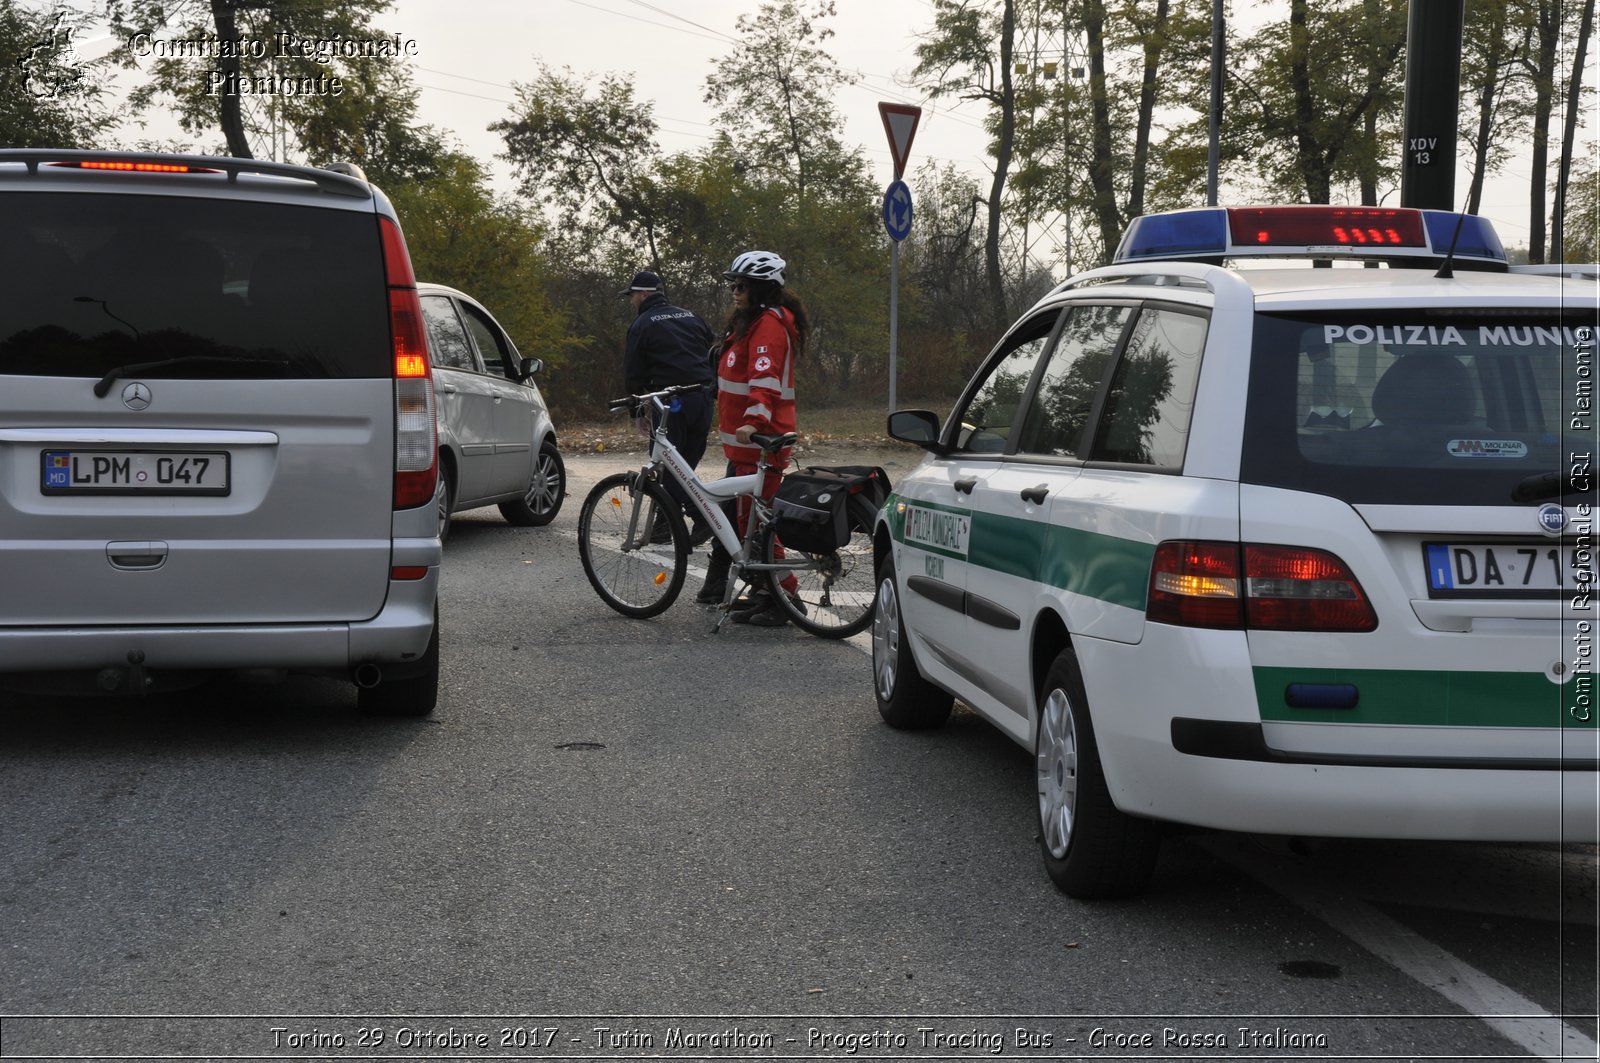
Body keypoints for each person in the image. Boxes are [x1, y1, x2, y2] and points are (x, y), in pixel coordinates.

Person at [696, 250, 809, 627]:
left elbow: (765, 378)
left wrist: (754, 421)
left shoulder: (768, 326)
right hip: (745, 446)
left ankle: (786, 595)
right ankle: (766, 593)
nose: (734, 291)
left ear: (761, 288)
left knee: (756, 524)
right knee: (750, 523)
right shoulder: (753, 322)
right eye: (732, 285)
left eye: (741, 286)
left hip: (761, 442)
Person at [620, 269, 717, 545]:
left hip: (672, 403)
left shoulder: (642, 324)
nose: (631, 302)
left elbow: (633, 372)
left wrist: (637, 409)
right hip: (703, 400)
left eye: (632, 296)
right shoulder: (691, 316)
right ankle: (664, 525)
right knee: (683, 466)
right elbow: (713, 350)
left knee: (668, 467)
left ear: (643, 294)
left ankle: (702, 517)